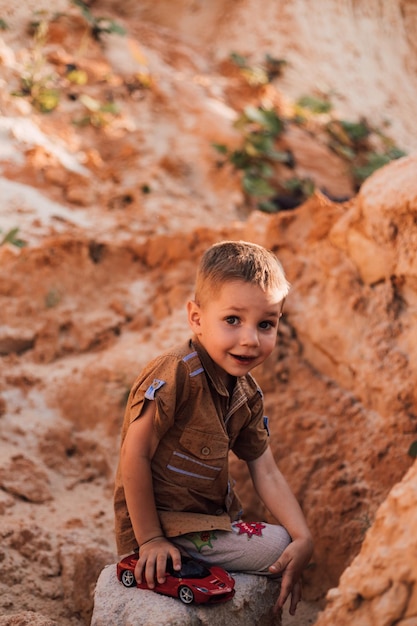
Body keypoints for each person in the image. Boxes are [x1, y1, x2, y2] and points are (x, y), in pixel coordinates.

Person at [114, 240, 313, 615]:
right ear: (196, 317)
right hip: (167, 524)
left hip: (210, 519)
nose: (250, 339)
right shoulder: (175, 373)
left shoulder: (248, 395)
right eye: (233, 320)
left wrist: (304, 538)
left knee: (288, 541)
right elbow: (134, 454)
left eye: (266, 324)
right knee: (275, 546)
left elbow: (265, 469)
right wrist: (152, 539)